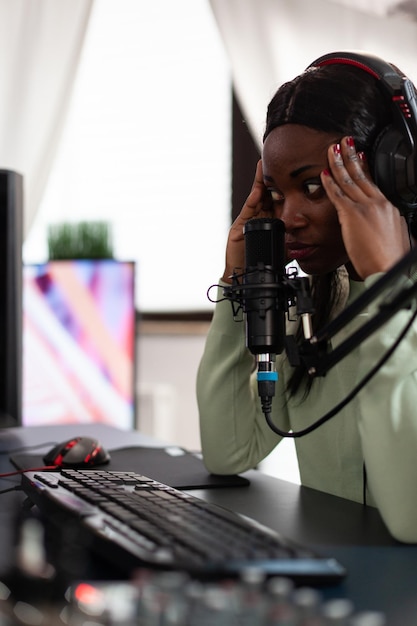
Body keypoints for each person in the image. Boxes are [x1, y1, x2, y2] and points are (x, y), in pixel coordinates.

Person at [196, 51, 417, 544]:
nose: (289, 217)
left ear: (391, 175)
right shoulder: (322, 302)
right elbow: (228, 451)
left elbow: (410, 517)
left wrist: (386, 281)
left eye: (314, 186)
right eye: (276, 193)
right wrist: (240, 282)